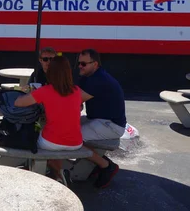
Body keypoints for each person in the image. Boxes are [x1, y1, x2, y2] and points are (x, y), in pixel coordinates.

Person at [14, 56, 118, 189]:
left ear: (51, 73)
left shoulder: (45, 91)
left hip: (50, 143)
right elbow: (75, 107)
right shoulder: (76, 91)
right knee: (57, 135)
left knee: (36, 135)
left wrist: (28, 94)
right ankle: (57, 173)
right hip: (76, 143)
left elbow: (18, 103)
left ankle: (50, 172)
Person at [76, 49, 126, 143]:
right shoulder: (86, 77)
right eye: (79, 63)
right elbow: (77, 102)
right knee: (64, 128)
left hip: (112, 125)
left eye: (83, 64)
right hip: (96, 119)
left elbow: (73, 101)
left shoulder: (98, 79)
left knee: (70, 135)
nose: (79, 66)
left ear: (95, 64)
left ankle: (98, 158)